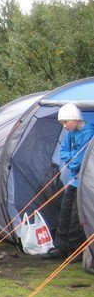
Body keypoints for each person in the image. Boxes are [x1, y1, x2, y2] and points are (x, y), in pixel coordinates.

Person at [43, 103, 94, 260]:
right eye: (62, 123)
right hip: (73, 181)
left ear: (75, 118)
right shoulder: (70, 133)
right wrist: (72, 157)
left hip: (85, 183)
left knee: (76, 217)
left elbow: (81, 160)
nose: (64, 126)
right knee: (64, 213)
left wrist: (71, 159)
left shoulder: (89, 132)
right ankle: (61, 247)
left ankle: (76, 250)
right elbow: (63, 153)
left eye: (66, 122)